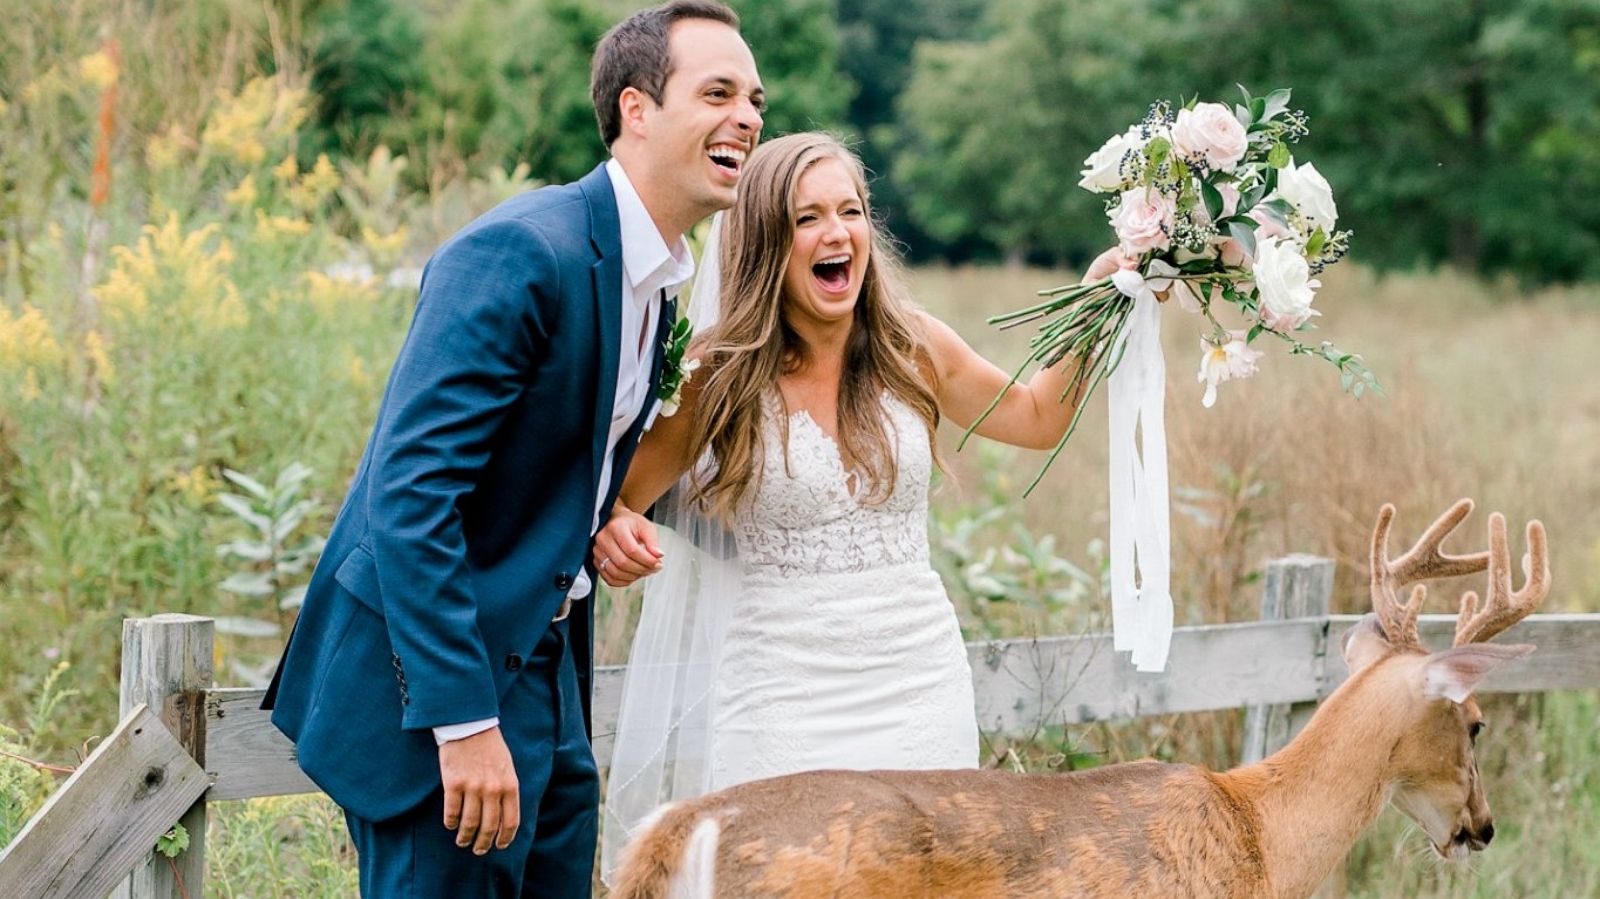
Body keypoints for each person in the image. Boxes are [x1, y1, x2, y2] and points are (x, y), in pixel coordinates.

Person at [260, 3, 763, 895]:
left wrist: (594, 527)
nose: (748, 118)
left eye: (755, 99)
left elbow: (555, 461)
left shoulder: (656, 282)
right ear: (636, 110)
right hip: (438, 691)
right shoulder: (523, 251)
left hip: (549, 675)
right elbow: (411, 493)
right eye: (717, 92)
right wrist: (460, 720)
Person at [595, 131, 1130, 876]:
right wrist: (617, 531)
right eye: (807, 217)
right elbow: (617, 494)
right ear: (763, 244)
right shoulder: (713, 374)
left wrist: (1103, 293)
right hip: (779, 691)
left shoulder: (915, 346)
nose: (835, 232)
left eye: (850, 210)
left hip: (916, 682)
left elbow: (1038, 416)